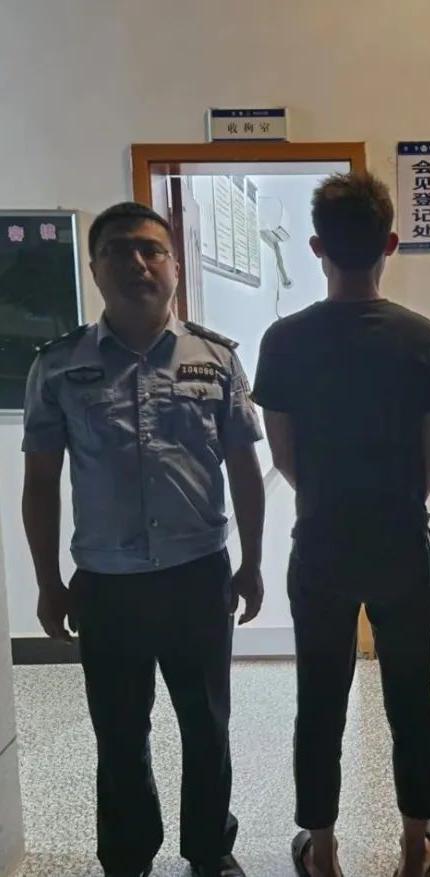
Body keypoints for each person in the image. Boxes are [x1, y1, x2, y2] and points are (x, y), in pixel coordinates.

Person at [22, 202, 265, 877]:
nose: (138, 263)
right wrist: (47, 582)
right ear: (95, 268)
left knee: (207, 724)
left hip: (197, 574)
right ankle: (128, 856)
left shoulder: (215, 358)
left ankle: (210, 848)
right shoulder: (59, 366)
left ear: (175, 267)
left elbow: (245, 469)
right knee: (120, 732)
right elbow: (40, 483)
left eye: (152, 250)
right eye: (119, 250)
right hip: (108, 584)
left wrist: (252, 563)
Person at [252, 172, 430, 877]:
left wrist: (331, 499)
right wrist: (392, 503)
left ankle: (323, 850)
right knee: (412, 695)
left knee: (319, 697)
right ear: (390, 243)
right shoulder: (424, 339)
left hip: (322, 544)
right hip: (400, 540)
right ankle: (414, 846)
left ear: (317, 247)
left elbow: (284, 454)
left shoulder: (283, 341)